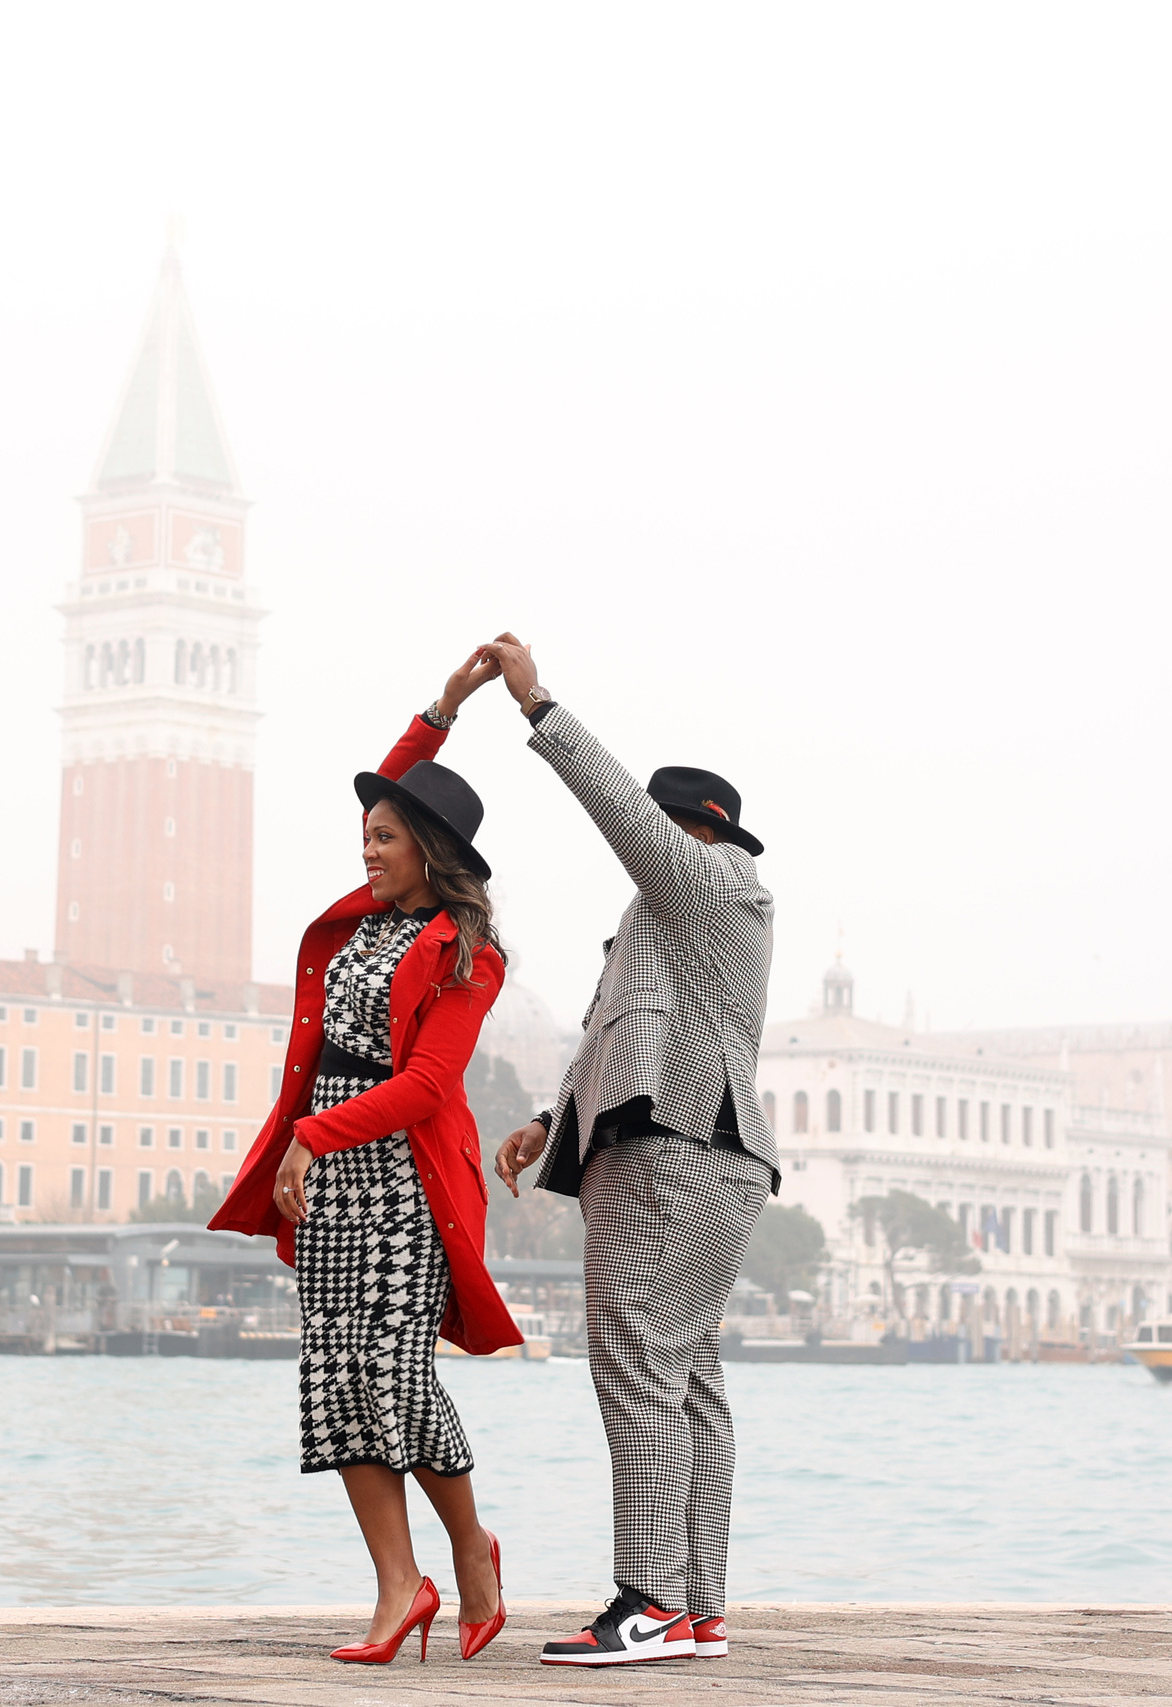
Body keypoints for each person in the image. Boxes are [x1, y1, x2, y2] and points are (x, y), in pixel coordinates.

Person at [210, 650, 524, 1666]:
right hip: (329, 1181)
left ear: (429, 852)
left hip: (401, 1188)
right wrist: (444, 707)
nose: (367, 851)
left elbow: (429, 1088)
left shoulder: (467, 954)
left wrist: (312, 1133)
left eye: (384, 839)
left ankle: (469, 1556)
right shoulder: (368, 918)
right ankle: (401, 1587)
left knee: (397, 1381)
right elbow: (395, 780)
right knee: (337, 1381)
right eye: (363, 837)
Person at [480, 633, 777, 1668]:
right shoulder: (666, 921)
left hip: (675, 1152)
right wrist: (543, 1122)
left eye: (663, 827)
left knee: (635, 1365)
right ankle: (696, 1609)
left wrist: (539, 707)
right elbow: (619, 1033)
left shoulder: (714, 884)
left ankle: (645, 1603)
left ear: (691, 829)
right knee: (688, 1375)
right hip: (705, 1152)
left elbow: (622, 815)